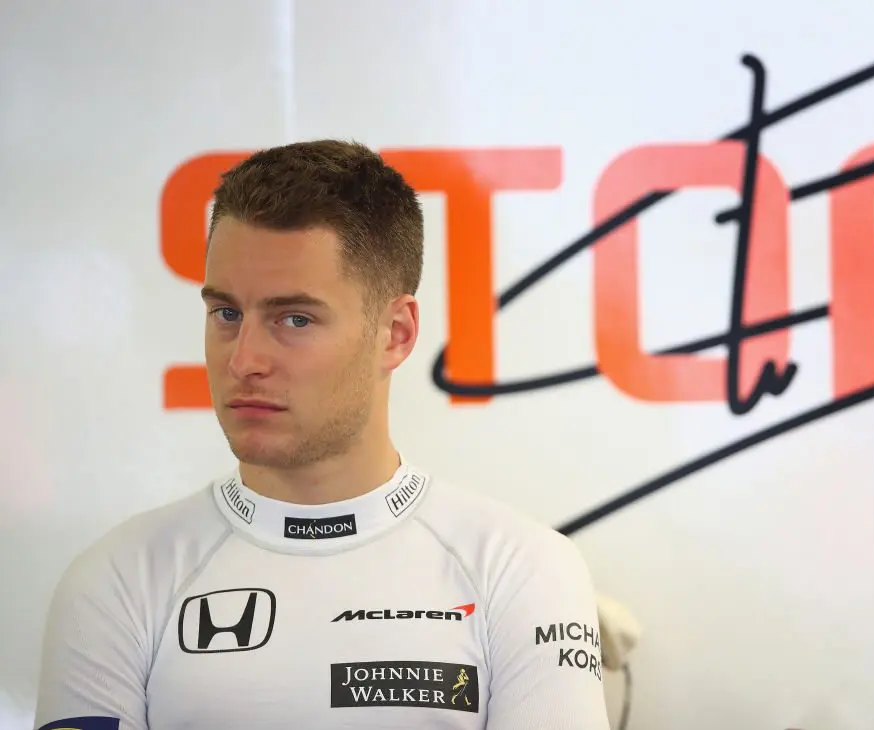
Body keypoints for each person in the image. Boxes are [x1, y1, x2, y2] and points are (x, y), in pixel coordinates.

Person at [32, 140, 611, 730]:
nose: (244, 361)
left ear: (395, 333)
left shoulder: (520, 570)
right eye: (227, 313)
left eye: (295, 319)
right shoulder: (117, 581)